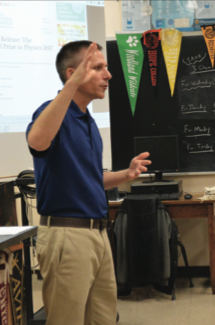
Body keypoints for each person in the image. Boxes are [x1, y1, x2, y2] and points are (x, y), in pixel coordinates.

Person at [26, 41, 151, 325]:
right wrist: (69, 88)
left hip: (97, 233)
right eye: (98, 68)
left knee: (103, 319)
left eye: (106, 68)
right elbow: (37, 142)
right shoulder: (51, 112)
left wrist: (126, 174)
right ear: (73, 74)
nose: (108, 75)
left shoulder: (88, 121)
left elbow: (90, 180)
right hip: (67, 235)